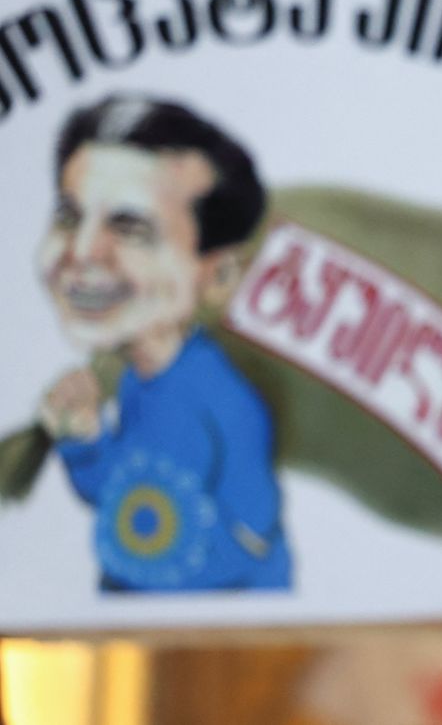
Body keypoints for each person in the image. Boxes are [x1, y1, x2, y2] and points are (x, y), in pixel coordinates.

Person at [37, 94, 291, 591]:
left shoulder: (225, 402)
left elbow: (254, 541)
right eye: (69, 217)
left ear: (215, 274)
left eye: (129, 228)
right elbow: (123, 496)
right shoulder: (136, 381)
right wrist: (83, 440)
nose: (82, 253)